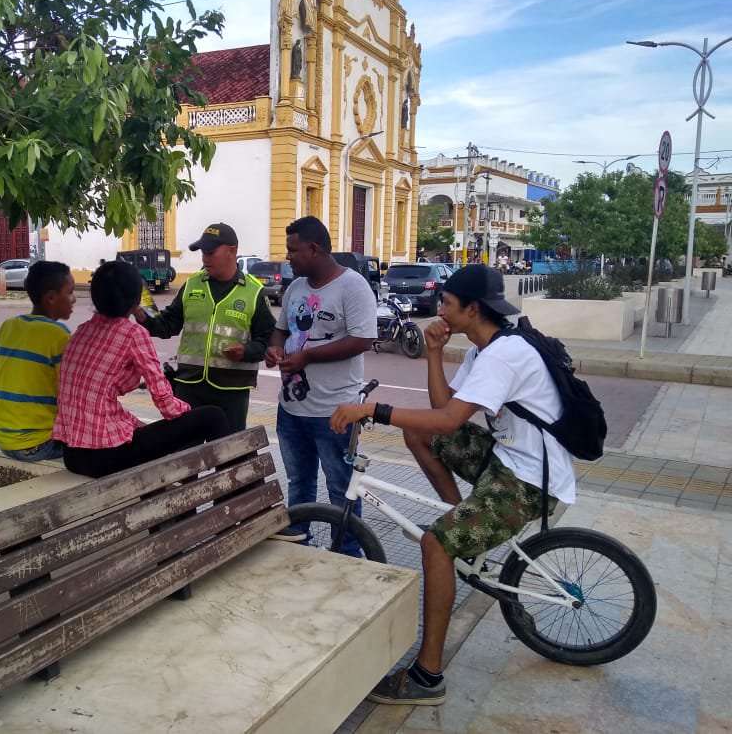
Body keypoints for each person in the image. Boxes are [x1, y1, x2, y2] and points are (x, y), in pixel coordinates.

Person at [329, 264, 574, 706]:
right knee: (418, 433)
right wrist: (435, 354)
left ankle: (428, 676)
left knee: (435, 546)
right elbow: (443, 414)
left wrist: (373, 411)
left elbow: (448, 419)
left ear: (472, 309)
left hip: (528, 481)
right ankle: (461, 524)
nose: (438, 310)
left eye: (446, 303)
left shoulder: (505, 355)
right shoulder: (486, 348)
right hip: (507, 461)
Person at [56, 260, 229, 478]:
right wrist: (188, 414)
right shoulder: (132, 334)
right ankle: (233, 494)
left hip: (72, 455)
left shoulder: (81, 332)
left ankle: (188, 502)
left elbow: (97, 399)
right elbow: (167, 405)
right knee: (212, 417)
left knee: (159, 435)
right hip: (105, 456)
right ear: (136, 300)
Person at [266, 216, 377, 552]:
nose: (288, 257)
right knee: (299, 481)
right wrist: (274, 347)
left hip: (335, 413)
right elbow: (282, 329)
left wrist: (308, 357)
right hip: (291, 409)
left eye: (293, 250)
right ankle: (298, 542)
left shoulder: (353, 286)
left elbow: (363, 340)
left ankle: (345, 553)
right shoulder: (296, 288)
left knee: (341, 486)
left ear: (313, 249)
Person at [137, 223, 274, 433]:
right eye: (203, 252)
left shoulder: (254, 292)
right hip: (189, 387)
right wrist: (140, 313)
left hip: (232, 393)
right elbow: (166, 326)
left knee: (228, 456)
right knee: (185, 455)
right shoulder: (192, 285)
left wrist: (246, 351)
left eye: (211, 252)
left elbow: (268, 340)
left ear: (232, 251)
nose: (205, 258)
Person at [0, 261, 75, 462]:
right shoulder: (59, 335)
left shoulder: (9, 326)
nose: (74, 300)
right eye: (70, 292)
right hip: (39, 444)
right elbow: (71, 397)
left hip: (2, 438)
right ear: (50, 298)